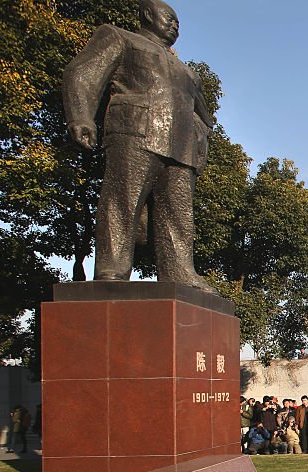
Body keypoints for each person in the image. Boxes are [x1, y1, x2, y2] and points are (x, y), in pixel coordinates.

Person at [62, 0, 215, 290]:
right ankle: (112, 269)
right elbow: (81, 73)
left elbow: (203, 117)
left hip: (180, 147)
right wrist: (80, 115)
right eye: (169, 18)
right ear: (147, 14)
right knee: (122, 200)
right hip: (135, 131)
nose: (174, 25)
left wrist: (200, 139)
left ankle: (179, 271)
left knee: (179, 215)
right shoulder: (121, 38)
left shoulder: (188, 73)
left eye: (178, 23)